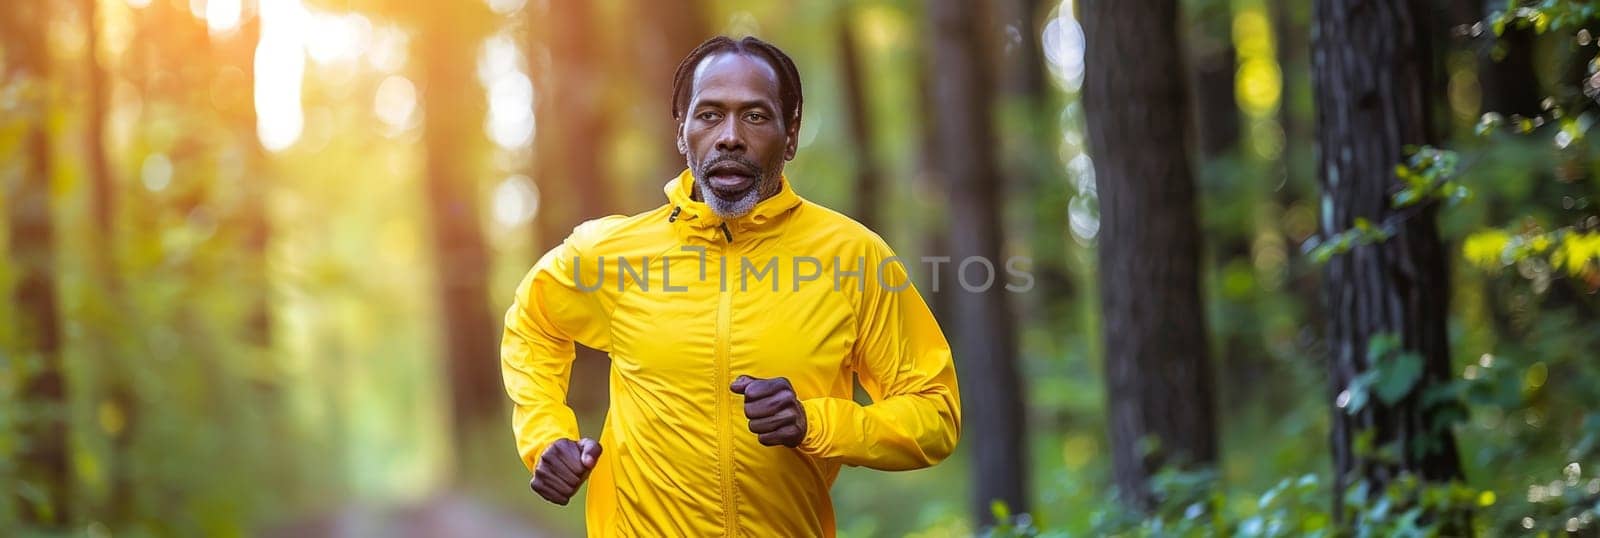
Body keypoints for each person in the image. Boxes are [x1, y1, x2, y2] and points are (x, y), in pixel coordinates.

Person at [500, 35, 960, 536]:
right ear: (682, 132)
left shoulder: (853, 258)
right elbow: (531, 326)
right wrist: (546, 436)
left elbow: (934, 415)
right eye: (709, 114)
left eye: (756, 116)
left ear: (791, 135)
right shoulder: (609, 253)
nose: (730, 137)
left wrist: (815, 423)